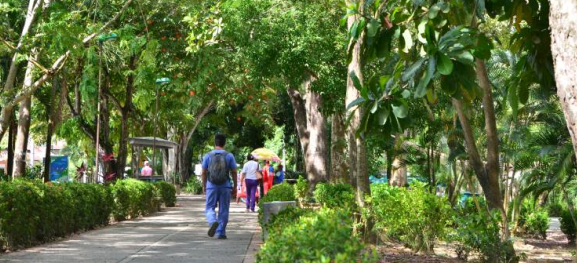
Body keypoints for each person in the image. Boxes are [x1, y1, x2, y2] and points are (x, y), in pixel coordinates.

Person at [202, 134, 238, 240]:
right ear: (224, 143)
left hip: (211, 186)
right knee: (224, 209)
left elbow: (203, 172)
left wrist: (204, 185)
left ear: (215, 143)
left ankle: (213, 222)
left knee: (209, 208)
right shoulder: (229, 155)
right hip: (225, 186)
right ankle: (221, 232)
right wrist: (235, 186)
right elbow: (234, 172)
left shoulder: (208, 155)